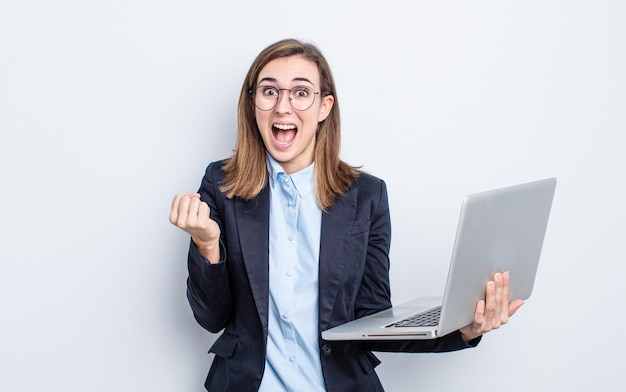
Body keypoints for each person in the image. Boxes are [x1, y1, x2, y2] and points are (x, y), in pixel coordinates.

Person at [169, 38, 524, 392]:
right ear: (252, 104)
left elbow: (373, 321)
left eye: (301, 93)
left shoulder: (367, 196)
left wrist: (464, 328)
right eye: (269, 91)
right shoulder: (221, 184)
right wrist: (207, 244)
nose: (283, 107)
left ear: (324, 106)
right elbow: (210, 318)